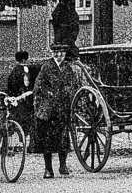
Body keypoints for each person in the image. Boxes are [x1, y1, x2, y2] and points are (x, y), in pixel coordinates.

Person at [32, 43, 81, 177]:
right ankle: (48, 169)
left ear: (65, 54)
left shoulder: (68, 67)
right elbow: (38, 86)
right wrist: (46, 95)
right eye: (56, 53)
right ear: (52, 53)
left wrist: (71, 96)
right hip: (48, 109)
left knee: (63, 138)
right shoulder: (46, 67)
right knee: (47, 140)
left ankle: (63, 166)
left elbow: (74, 85)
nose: (59, 55)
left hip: (63, 108)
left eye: (62, 53)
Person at [5, 50, 38, 132]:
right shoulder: (27, 69)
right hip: (26, 98)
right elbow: (27, 84)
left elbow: (10, 85)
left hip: (15, 98)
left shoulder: (14, 70)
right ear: (25, 59)